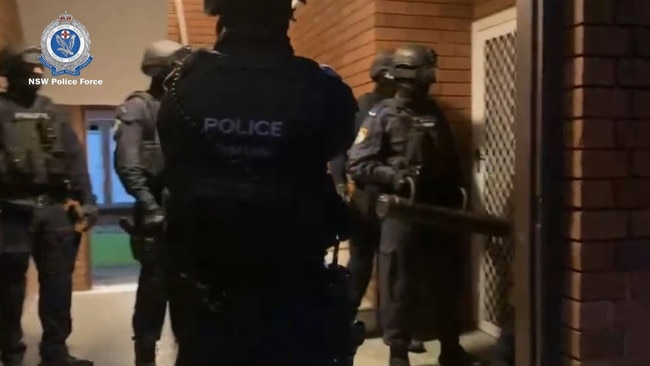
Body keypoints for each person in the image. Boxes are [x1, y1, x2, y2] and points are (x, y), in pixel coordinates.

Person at [156, 0, 361, 364]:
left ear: (221, 15)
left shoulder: (183, 84)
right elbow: (337, 140)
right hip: (292, 279)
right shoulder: (321, 87)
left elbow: (175, 157)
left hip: (208, 282)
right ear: (285, 17)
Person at [348, 43, 478, 366]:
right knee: (398, 283)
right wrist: (393, 175)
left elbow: (450, 159)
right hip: (402, 211)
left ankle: (450, 346)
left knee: (445, 281)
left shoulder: (433, 112)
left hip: (439, 210)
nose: (430, 79)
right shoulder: (382, 115)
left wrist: (459, 193)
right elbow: (358, 164)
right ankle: (398, 352)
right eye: (425, 72)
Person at [0, 45, 98, 366]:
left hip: (54, 209)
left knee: (58, 285)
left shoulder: (53, 111)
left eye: (40, 72)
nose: (37, 78)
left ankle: (55, 352)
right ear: (13, 75)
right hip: (10, 211)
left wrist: (88, 200)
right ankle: (11, 354)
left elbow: (74, 159)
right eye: (30, 72)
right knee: (9, 290)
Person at [113, 40, 191, 366]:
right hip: (155, 218)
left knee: (189, 300)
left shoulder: (186, 106)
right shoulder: (139, 107)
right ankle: (145, 357)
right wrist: (150, 206)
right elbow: (128, 164)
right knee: (153, 297)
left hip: (188, 217)